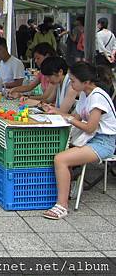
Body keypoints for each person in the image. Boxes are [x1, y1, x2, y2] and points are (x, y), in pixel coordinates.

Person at [43, 62, 116, 220]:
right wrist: (55, 111)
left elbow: (89, 127)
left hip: (103, 142)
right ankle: (67, 190)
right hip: (90, 138)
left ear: (86, 82)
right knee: (56, 151)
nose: (71, 84)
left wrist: (67, 117)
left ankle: (61, 206)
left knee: (60, 159)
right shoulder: (85, 94)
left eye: (73, 81)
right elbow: (76, 118)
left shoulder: (98, 97)